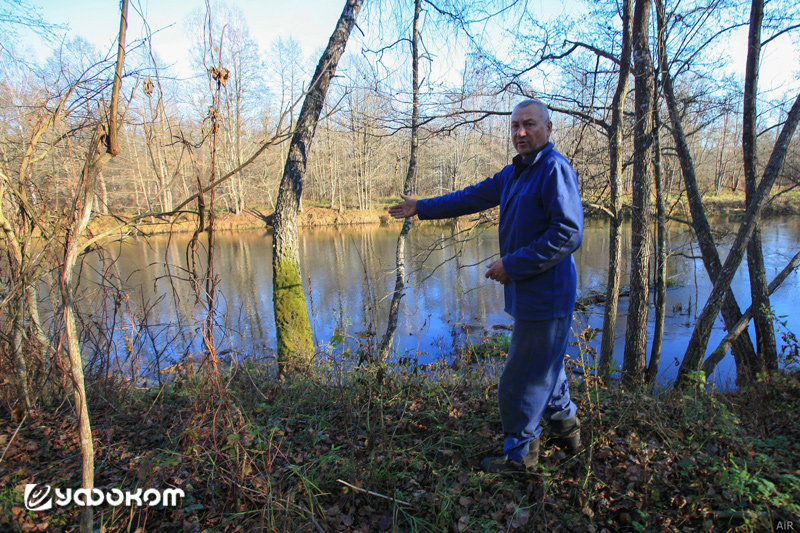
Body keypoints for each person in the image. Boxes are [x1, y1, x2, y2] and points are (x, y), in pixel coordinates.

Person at [388, 99, 583, 474]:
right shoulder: (515, 173)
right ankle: (566, 429)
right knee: (548, 366)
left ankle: (520, 455)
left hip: (548, 294)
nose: (520, 133)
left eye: (528, 124)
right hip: (531, 293)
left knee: (520, 379)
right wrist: (422, 207)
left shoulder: (554, 169)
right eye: (514, 126)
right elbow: (472, 196)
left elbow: (568, 232)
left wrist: (513, 263)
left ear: (548, 128)